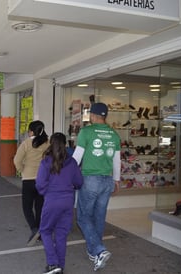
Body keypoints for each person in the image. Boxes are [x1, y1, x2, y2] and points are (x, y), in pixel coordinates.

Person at [72, 102, 121, 271]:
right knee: (99, 217)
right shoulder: (114, 134)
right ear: (105, 116)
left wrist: (67, 175)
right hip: (107, 180)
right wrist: (116, 180)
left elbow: (77, 157)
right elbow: (116, 160)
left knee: (83, 217)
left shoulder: (86, 132)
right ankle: (94, 252)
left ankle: (99, 250)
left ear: (92, 115)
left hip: (90, 180)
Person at [36, 133, 83, 274]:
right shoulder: (72, 162)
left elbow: (39, 184)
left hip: (51, 200)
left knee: (45, 231)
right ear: (65, 144)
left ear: (51, 143)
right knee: (61, 234)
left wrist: (47, 193)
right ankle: (60, 267)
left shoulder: (46, 162)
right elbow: (79, 183)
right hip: (68, 201)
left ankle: (52, 264)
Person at [13, 120, 49, 246]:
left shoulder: (26, 143)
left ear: (32, 131)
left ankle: (34, 229)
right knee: (40, 207)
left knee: (27, 207)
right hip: (43, 180)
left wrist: (22, 170)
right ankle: (40, 232)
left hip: (28, 180)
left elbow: (17, 160)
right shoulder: (47, 143)